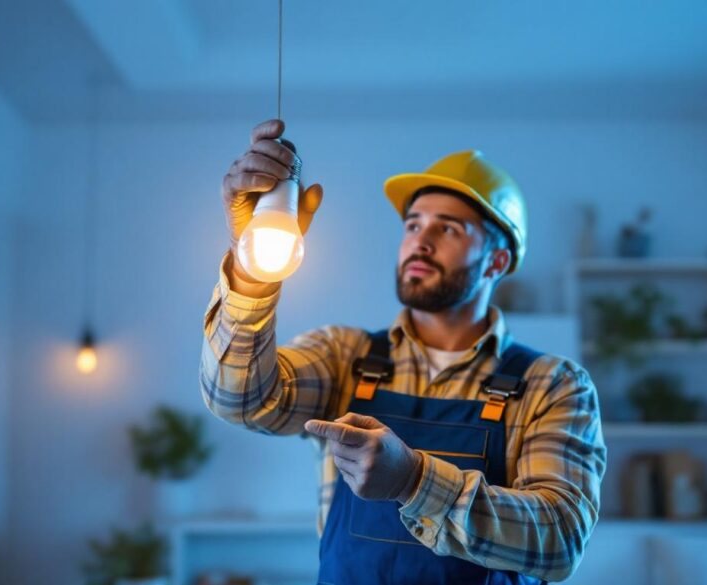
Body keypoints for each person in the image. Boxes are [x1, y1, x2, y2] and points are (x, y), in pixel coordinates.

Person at [200, 119, 606, 584]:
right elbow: (239, 400)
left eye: (448, 229)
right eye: (413, 224)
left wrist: (414, 481)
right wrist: (251, 268)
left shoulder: (552, 385)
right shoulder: (343, 356)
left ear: (497, 260)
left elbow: (560, 538)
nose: (420, 240)